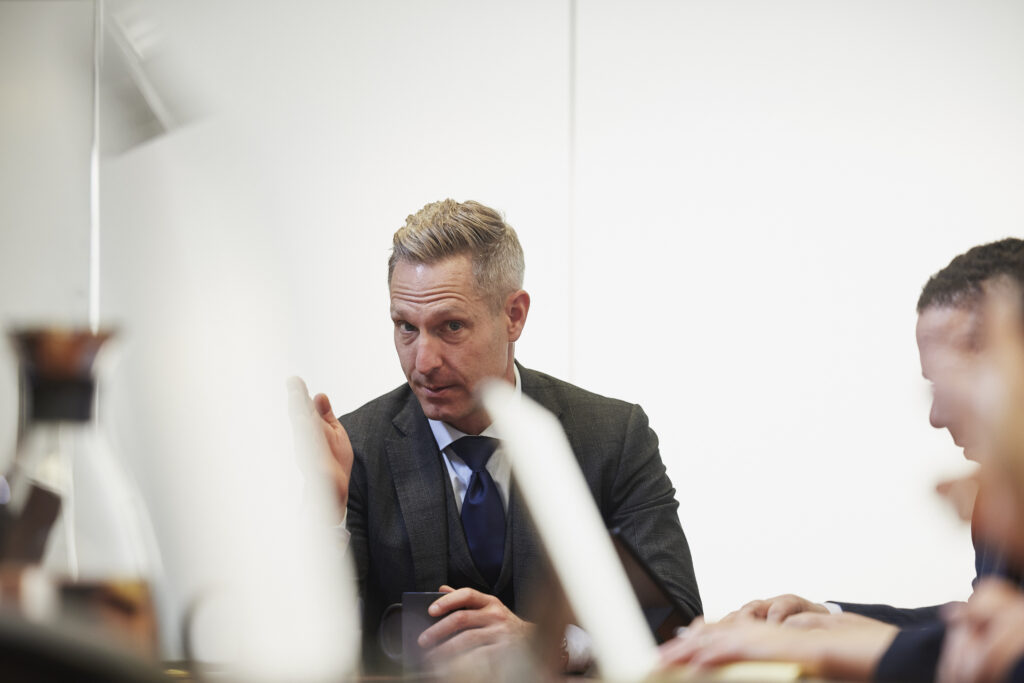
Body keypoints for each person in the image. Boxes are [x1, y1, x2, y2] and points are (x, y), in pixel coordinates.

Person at [312, 199, 702, 672]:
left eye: (451, 326)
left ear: (514, 315)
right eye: (405, 328)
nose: (424, 361)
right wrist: (324, 519)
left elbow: (676, 629)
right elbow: (314, 647)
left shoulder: (612, 437)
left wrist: (549, 644)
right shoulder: (355, 448)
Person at [662, 238, 1024, 681]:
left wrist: (819, 645)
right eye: (935, 386)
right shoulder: (996, 489)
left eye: (958, 381)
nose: (938, 416)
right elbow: (984, 634)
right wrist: (828, 618)